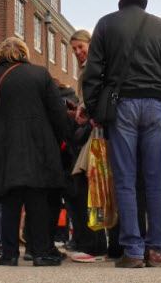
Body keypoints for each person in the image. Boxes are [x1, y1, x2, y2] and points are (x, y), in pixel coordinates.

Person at [81, 0, 161, 269]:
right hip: (156, 105)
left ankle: (133, 250)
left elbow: (93, 73)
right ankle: (157, 248)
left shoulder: (105, 24)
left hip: (122, 106)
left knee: (125, 180)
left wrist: (92, 108)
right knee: (156, 179)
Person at [0, 36, 73, 267]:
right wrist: (60, 139)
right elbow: (57, 112)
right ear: (25, 53)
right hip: (39, 148)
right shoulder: (40, 74)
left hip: (5, 148)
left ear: (0, 55)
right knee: (37, 200)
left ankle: (9, 253)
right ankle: (39, 253)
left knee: (10, 201)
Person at [64, 29, 106, 263]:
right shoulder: (88, 68)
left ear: (90, 44)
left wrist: (87, 111)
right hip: (95, 131)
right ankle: (98, 243)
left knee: (88, 187)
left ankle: (95, 245)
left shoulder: (94, 67)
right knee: (88, 186)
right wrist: (80, 111)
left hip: (98, 135)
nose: (78, 52)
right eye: (74, 49)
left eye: (81, 47)